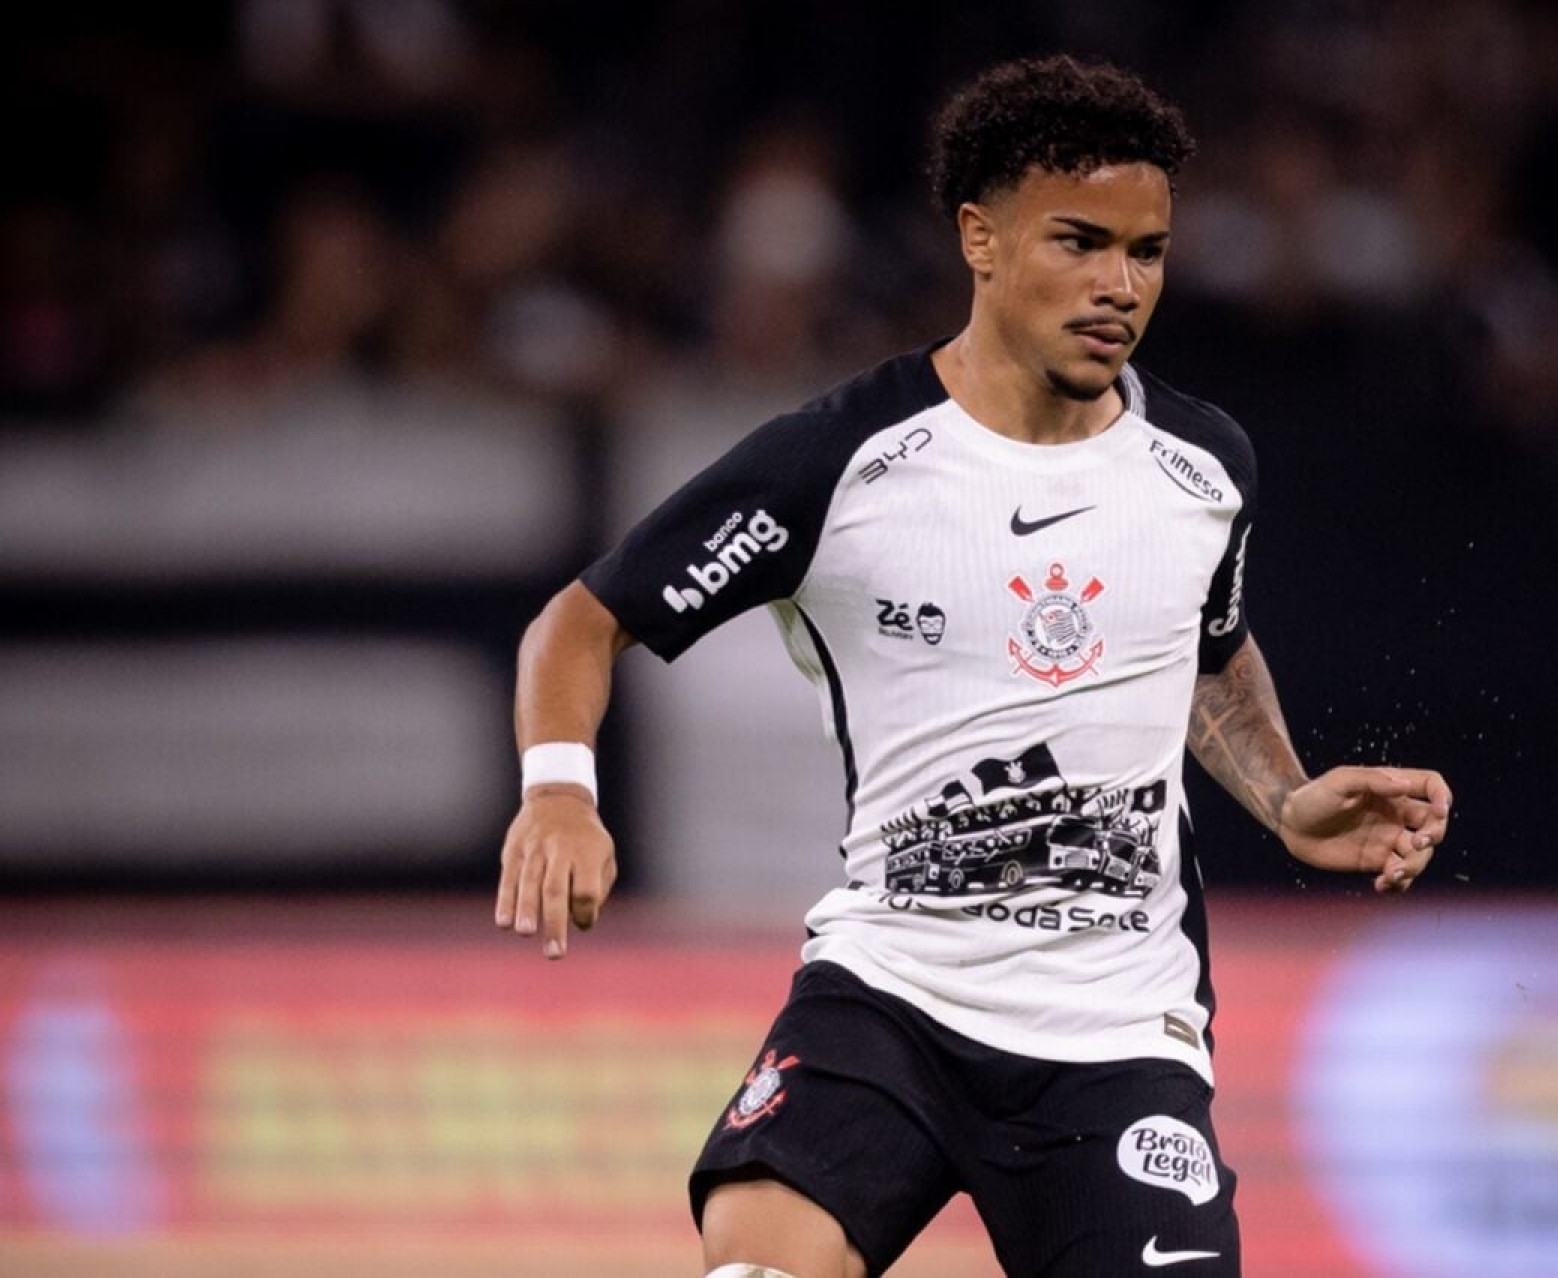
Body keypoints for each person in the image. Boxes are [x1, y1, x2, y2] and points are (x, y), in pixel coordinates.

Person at [494, 54, 1451, 1278]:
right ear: (980, 238)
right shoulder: (842, 460)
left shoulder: (1206, 470)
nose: (1118, 286)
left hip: (1117, 1033)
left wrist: (1283, 795)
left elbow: (1207, 656)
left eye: (1146, 251)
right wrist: (561, 790)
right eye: (1078, 241)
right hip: (890, 995)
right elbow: (581, 621)